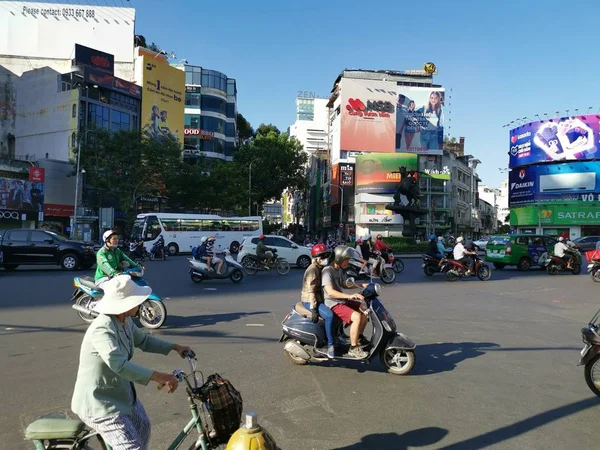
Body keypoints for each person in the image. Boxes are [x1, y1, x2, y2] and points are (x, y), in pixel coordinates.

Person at [71, 275, 192, 450]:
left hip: (121, 395)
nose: (140, 304)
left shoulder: (124, 321)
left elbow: (144, 341)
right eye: (137, 301)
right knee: (132, 448)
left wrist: (175, 347)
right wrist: (159, 376)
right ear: (125, 305)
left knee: (143, 429)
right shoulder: (102, 329)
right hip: (100, 404)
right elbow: (118, 364)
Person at [322, 245, 369, 359]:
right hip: (333, 303)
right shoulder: (327, 271)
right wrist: (350, 296)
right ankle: (353, 348)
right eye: (346, 259)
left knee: (364, 310)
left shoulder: (340, 270)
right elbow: (330, 292)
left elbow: (344, 284)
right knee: (357, 317)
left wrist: (360, 285)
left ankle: (358, 338)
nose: (348, 261)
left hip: (341, 300)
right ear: (339, 258)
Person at [301, 244, 336, 358]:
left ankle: (336, 336)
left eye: (326, 255)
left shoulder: (320, 268)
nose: (325, 258)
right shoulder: (312, 270)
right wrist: (313, 308)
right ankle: (330, 346)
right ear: (317, 258)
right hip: (310, 300)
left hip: (319, 298)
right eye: (323, 256)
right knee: (330, 316)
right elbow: (311, 291)